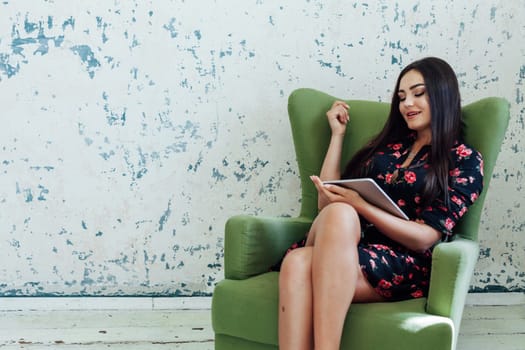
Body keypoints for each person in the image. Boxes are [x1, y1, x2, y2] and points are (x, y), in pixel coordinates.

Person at [277, 57, 484, 350]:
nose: (407, 104)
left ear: (442, 93)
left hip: (403, 260)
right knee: (334, 216)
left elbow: (425, 237)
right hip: (350, 243)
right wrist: (337, 136)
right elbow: (330, 199)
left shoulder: (463, 159)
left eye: (418, 93)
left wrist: (361, 206)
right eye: (401, 97)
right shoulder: (389, 148)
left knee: (299, 261)